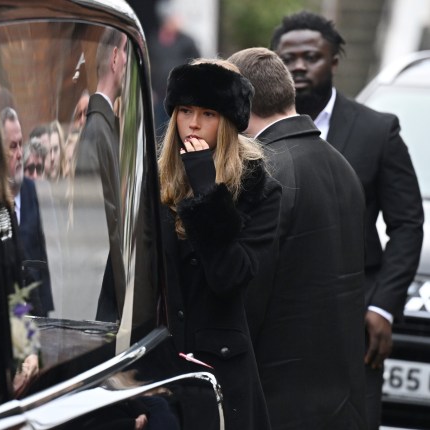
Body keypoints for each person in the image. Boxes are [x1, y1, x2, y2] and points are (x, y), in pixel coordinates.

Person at [270, 12, 424, 429]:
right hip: (279, 318)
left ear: (333, 61)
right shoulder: (253, 135)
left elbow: (408, 224)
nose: (299, 66)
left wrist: (383, 307)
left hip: (355, 315)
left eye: (311, 56)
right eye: (288, 58)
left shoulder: (377, 130)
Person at [228, 47, 367, 429]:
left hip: (276, 399)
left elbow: (248, 288)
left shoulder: (264, 172)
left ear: (240, 102)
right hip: (340, 400)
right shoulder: (342, 165)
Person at [157, 58, 281, 430]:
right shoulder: (154, 180)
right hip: (158, 367)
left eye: (208, 113)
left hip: (220, 372)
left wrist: (207, 190)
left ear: (226, 122)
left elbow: (230, 276)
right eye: (185, 110)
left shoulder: (257, 188)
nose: (193, 123)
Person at [74, 27, 128, 321]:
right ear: (116, 57)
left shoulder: (105, 125)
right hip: (100, 295)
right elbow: (92, 223)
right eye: (128, 58)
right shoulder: (96, 129)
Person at [0, 107, 54, 317]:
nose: (20, 154)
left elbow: (42, 253)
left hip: (37, 309)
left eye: (21, 144)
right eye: (12, 147)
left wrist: (46, 311)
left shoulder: (32, 191)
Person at [148, 0, 200, 137]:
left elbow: (198, 65)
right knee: (159, 131)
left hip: (180, 97)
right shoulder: (153, 41)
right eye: (173, 18)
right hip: (159, 96)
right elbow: (147, 66)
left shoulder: (187, 41)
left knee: (178, 131)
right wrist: (150, 89)